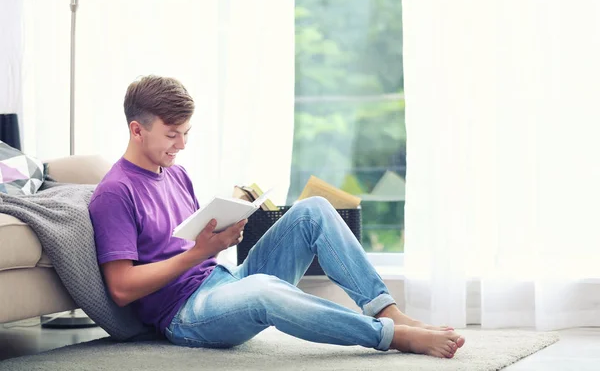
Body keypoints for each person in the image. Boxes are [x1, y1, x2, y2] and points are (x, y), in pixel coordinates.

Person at [89, 75, 465, 358]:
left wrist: (220, 237)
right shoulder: (115, 192)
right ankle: (389, 335)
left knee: (312, 210)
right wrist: (200, 252)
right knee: (264, 290)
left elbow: (192, 247)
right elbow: (122, 289)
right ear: (137, 130)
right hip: (185, 314)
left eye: (187, 133)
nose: (182, 145)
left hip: (223, 282)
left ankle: (390, 311)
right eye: (173, 135)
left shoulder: (175, 173)